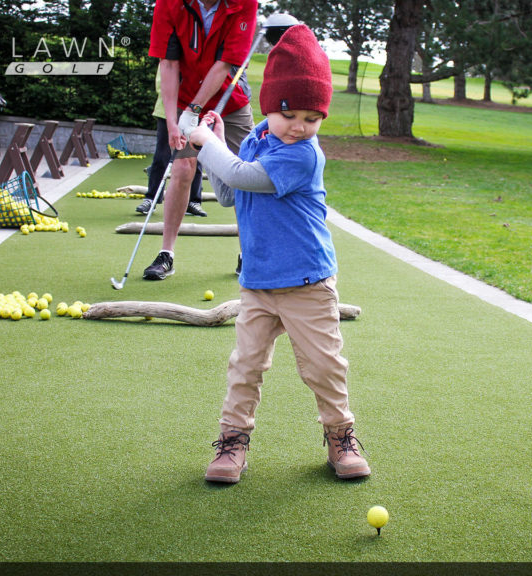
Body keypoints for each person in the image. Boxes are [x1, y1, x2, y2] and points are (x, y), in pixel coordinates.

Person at [188, 24, 370, 484]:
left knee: (324, 368)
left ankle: (340, 436)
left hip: (307, 282)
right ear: (269, 107)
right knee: (245, 367)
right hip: (259, 282)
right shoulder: (255, 142)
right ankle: (232, 443)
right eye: (289, 114)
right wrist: (215, 148)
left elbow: (244, 177)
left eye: (313, 117)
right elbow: (229, 192)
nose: (300, 127)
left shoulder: (303, 155)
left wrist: (207, 145)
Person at [144, 0, 257, 280]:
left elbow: (225, 64)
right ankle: (166, 254)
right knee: (182, 169)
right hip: (185, 100)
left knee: (246, 172)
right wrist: (172, 122)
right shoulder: (168, 4)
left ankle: (249, 255)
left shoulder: (244, 3)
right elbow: (168, 63)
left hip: (231, 102)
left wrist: (193, 111)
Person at [136, 68, 206, 218]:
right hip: (167, 112)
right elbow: (162, 84)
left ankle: (193, 201)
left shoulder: (195, 55)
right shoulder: (169, 54)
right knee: (161, 156)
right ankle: (151, 198)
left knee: (194, 157)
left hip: (193, 111)